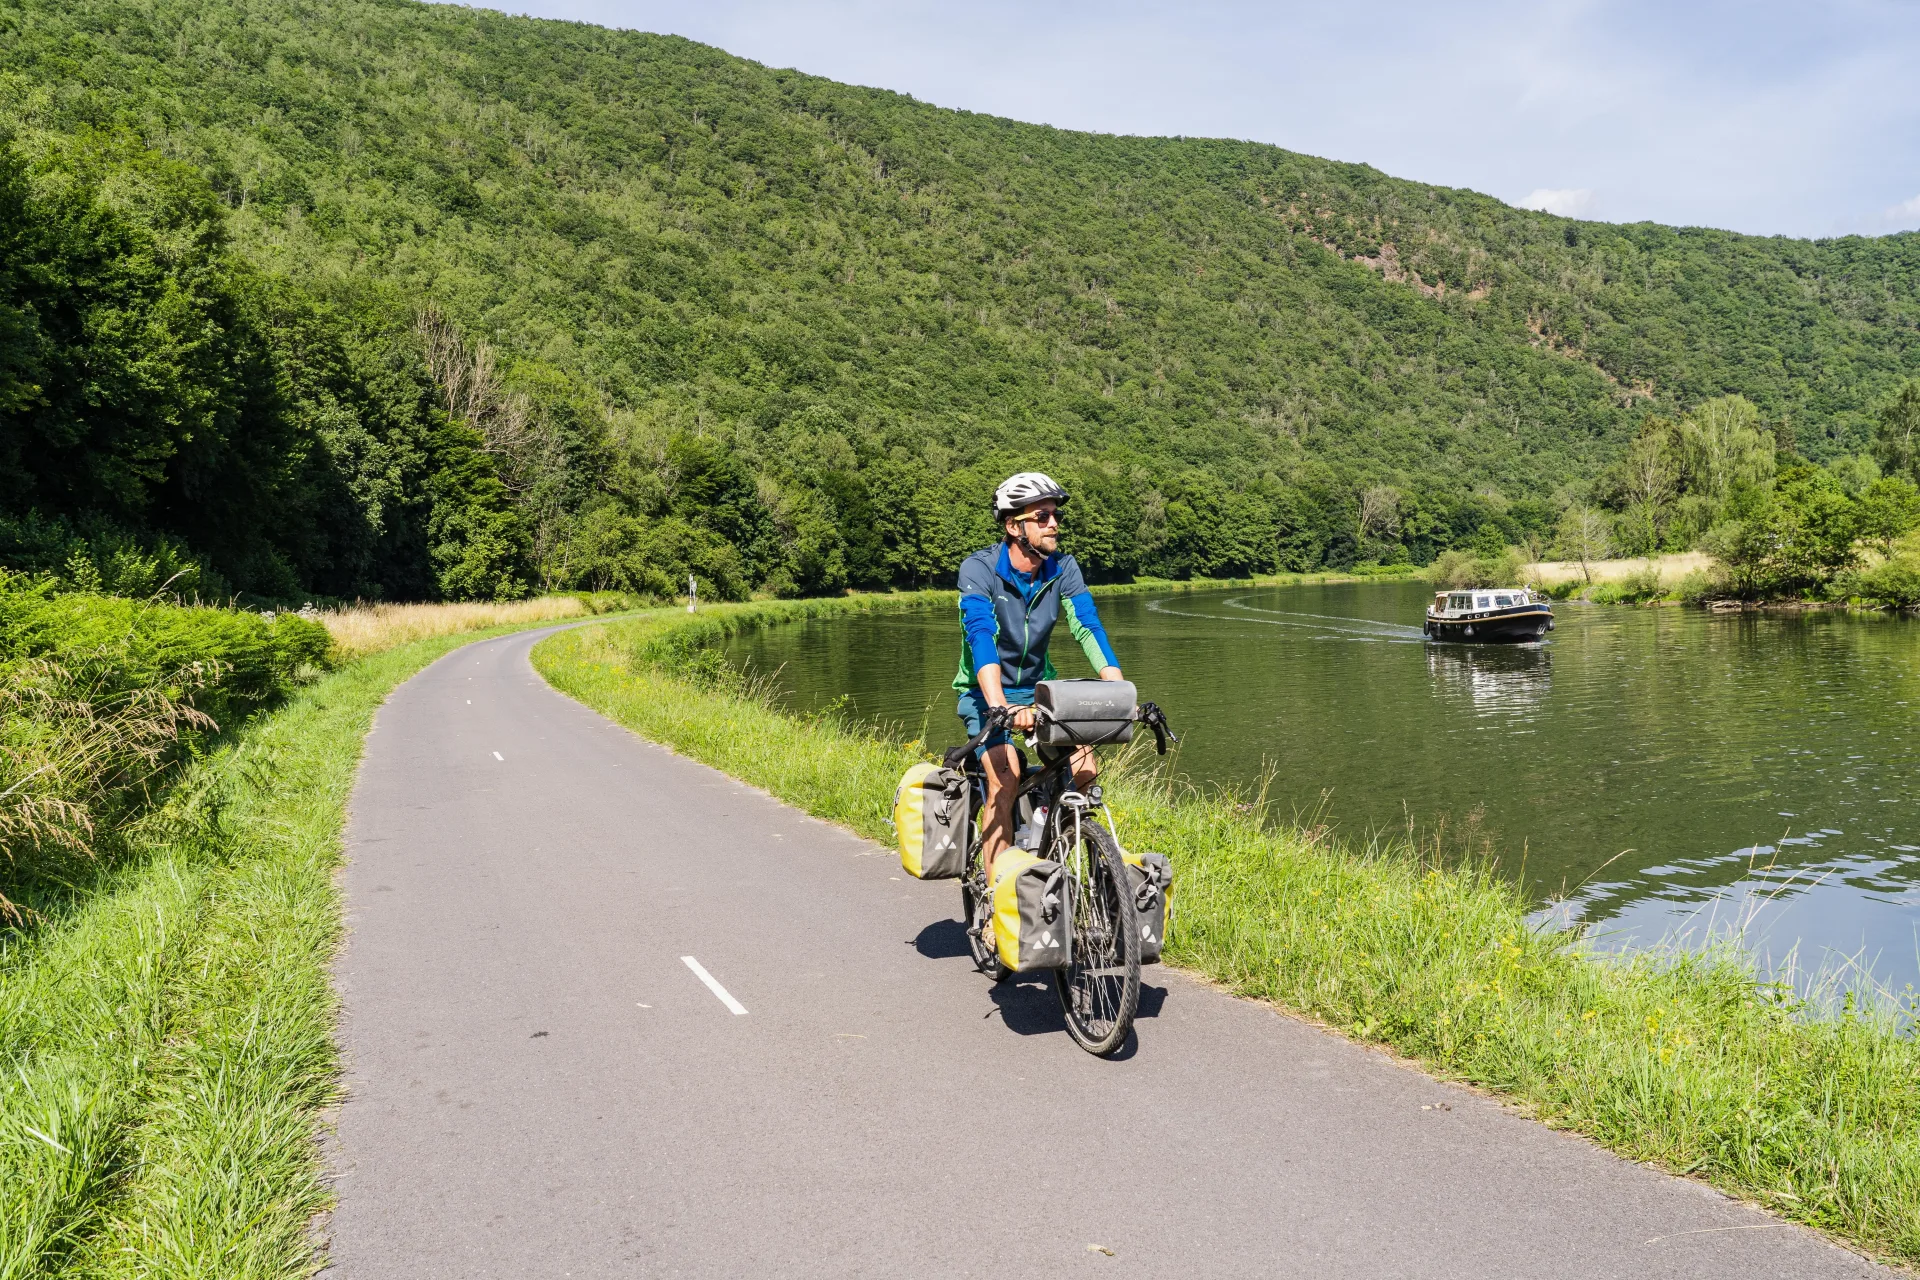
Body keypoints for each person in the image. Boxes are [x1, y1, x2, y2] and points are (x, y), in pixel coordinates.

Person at [954, 472, 1124, 889]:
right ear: (1014, 526)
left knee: (1084, 765)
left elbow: (1087, 626)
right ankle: (997, 904)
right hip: (985, 694)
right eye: (1042, 516)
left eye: (1055, 516)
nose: (1054, 524)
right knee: (1006, 774)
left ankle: (1066, 853)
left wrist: (1119, 690)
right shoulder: (979, 569)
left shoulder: (1062, 567)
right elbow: (981, 636)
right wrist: (999, 704)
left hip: (1039, 691)